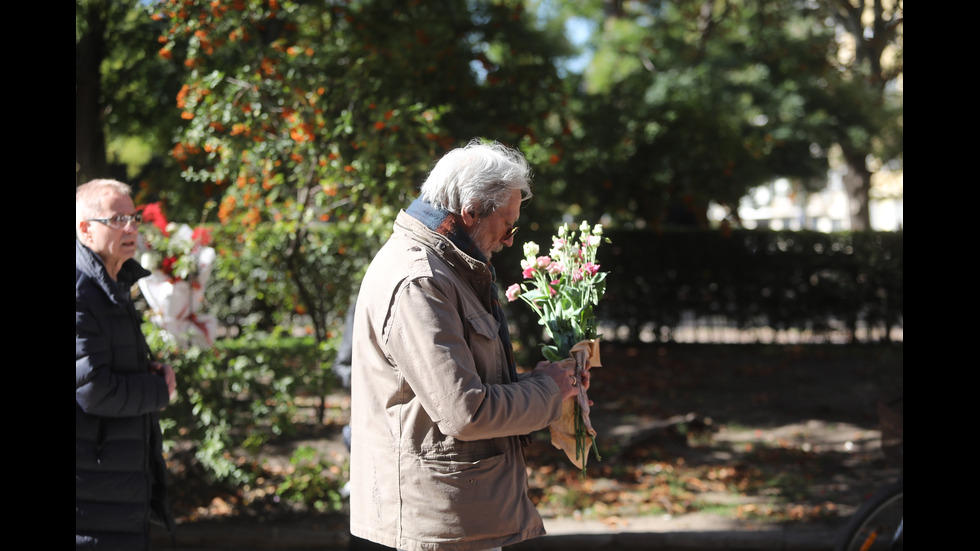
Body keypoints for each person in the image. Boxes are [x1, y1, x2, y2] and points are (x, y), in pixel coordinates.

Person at [348, 140, 587, 551]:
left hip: (453, 514)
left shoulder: (448, 266)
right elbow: (467, 412)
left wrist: (549, 390)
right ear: (471, 210)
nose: (510, 239)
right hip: (431, 525)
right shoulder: (420, 280)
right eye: (507, 224)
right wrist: (548, 391)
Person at [76, 179, 177, 549]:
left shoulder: (112, 282)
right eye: (117, 219)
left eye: (133, 217)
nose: (131, 227)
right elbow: (92, 389)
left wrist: (149, 372)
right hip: (92, 499)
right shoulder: (80, 288)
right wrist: (157, 390)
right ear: (86, 229)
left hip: (117, 492)